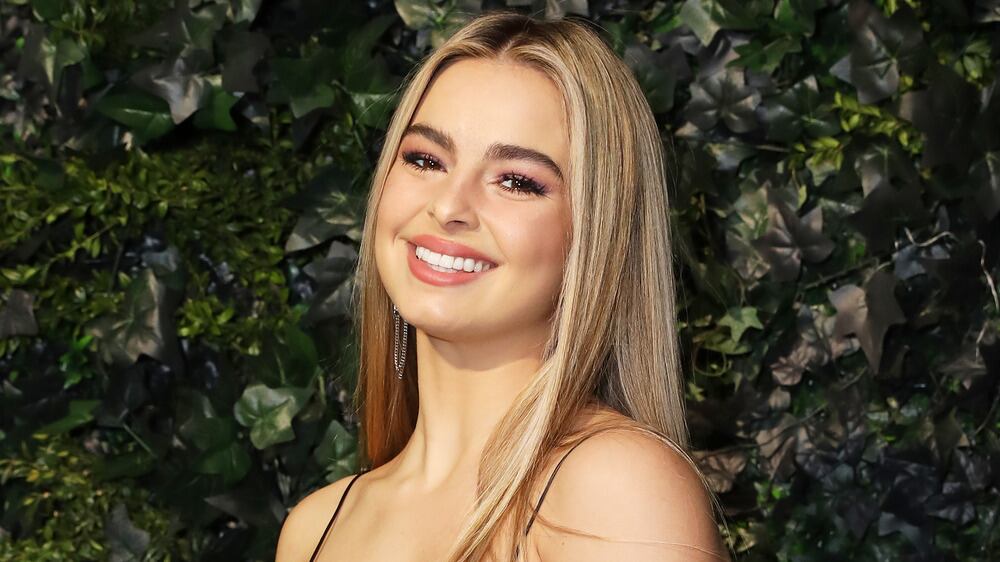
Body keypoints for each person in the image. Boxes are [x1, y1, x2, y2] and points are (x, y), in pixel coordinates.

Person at [276, 10, 731, 562]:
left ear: (595, 234)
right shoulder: (315, 528)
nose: (448, 205)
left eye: (516, 181)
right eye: (425, 159)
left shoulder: (616, 489)